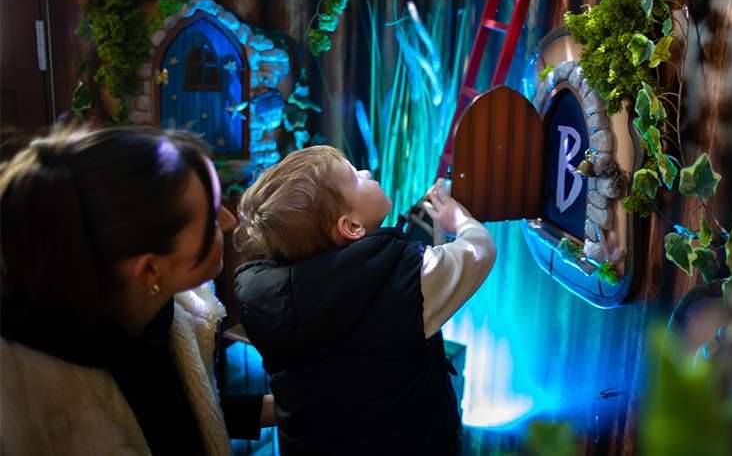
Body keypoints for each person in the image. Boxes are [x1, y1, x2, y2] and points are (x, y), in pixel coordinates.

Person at [0, 125, 274, 455]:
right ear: (149, 270)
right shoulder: (22, 400)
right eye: (212, 217)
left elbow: (195, 413)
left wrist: (288, 410)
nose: (229, 221)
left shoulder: (172, 315)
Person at [234, 145, 496, 455]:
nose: (366, 172)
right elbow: (479, 252)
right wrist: (459, 221)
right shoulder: (404, 279)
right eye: (355, 177)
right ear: (351, 227)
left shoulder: (265, 300)